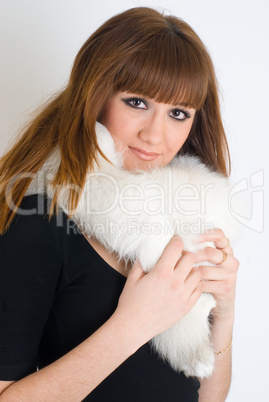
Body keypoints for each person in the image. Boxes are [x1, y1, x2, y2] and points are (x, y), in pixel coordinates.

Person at [0, 7, 239, 401]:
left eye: (178, 113)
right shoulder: (39, 220)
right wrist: (134, 325)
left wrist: (225, 312)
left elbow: (206, 397)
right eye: (137, 102)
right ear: (95, 96)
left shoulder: (188, 222)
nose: (155, 135)